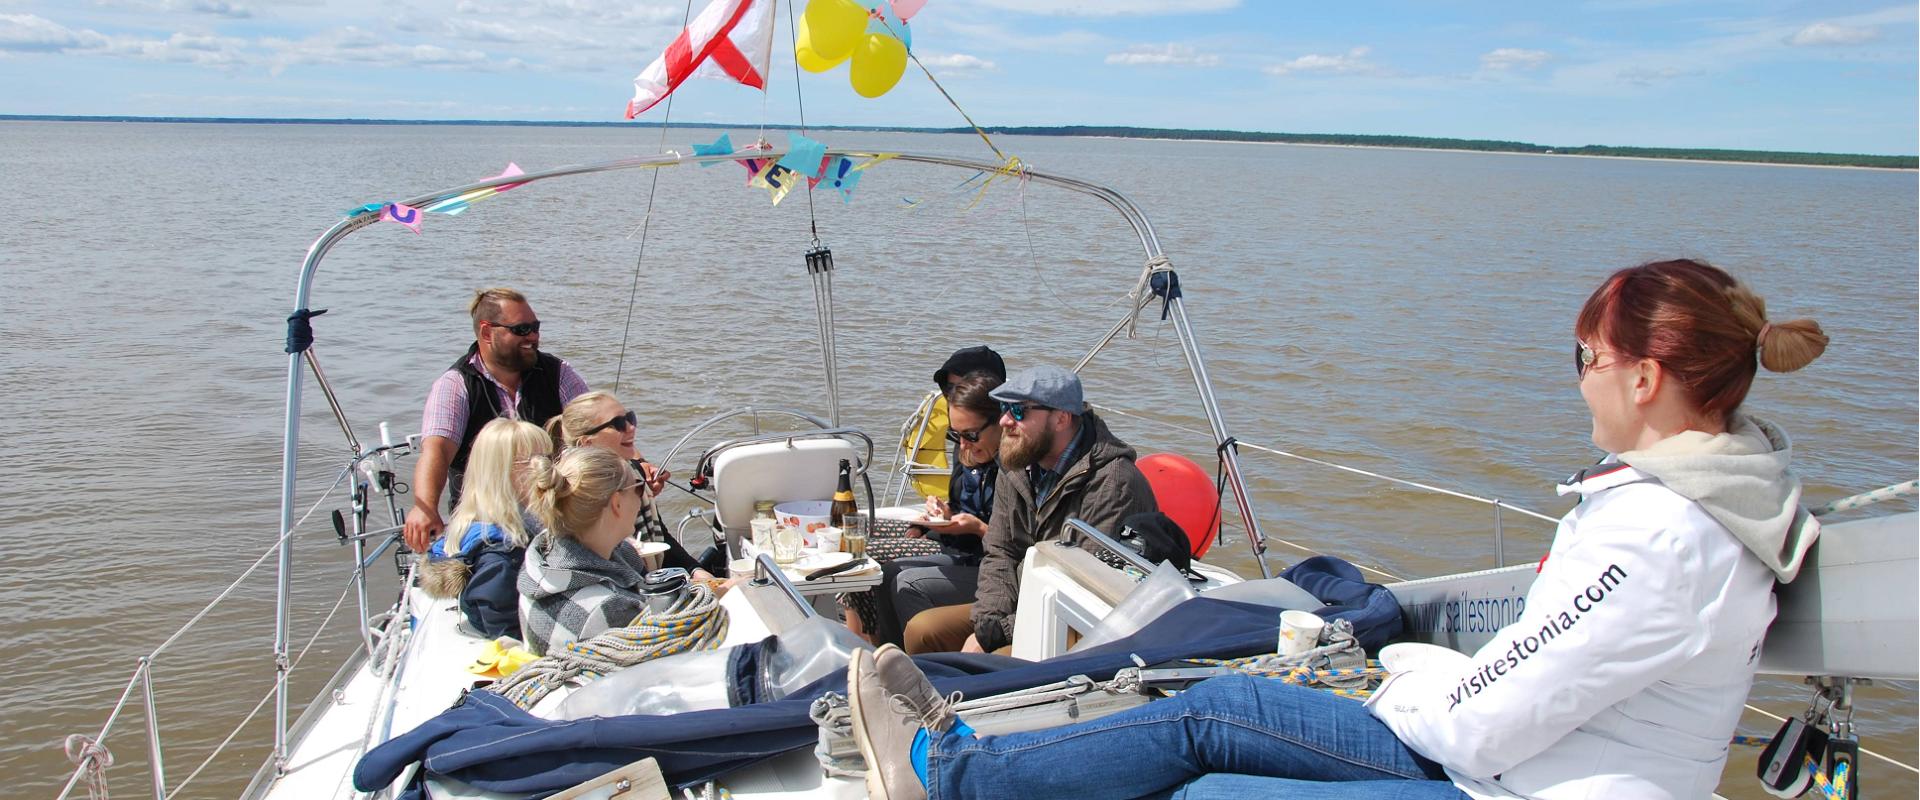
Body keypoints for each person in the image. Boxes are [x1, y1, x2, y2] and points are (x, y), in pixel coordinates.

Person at [847, 259, 1829, 800]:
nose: (1577, 376)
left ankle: (955, 778)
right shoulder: (1700, 503)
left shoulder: (1661, 530)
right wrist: (1415, 674)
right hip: (1525, 760)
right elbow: (1542, 673)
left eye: (1585, 355)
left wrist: (1398, 679)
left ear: (1645, 377)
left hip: (1516, 779)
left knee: (1211, 726)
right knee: (1218, 711)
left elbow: (1498, 712)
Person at [902, 364, 1157, 655]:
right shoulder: (1019, 466)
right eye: (1005, 409)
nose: (1005, 421)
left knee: (994, 660)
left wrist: (998, 635)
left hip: (1082, 626)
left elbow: (1083, 589)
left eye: (1019, 411)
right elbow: (1001, 551)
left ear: (1061, 418)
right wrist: (989, 622)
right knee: (923, 631)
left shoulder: (1113, 483)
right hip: (1022, 604)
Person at [405, 287, 589, 553]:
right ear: (487, 332)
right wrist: (425, 507)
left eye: (535, 327)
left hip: (554, 515)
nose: (533, 337)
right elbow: (436, 452)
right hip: (486, 523)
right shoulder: (456, 386)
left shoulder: (558, 373)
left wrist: (638, 465)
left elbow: (597, 425)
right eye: (521, 330)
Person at [851, 371, 1005, 646]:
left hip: (990, 565)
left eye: (970, 435)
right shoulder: (970, 451)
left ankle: (915, 654)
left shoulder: (1015, 469)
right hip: (961, 544)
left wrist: (977, 528)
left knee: (878, 565)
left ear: (1001, 420)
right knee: (865, 549)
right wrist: (942, 516)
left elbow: (1016, 546)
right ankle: (883, 649)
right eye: (955, 435)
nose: (962, 444)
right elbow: (962, 508)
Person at [546, 391, 715, 582]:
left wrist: (696, 572)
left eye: (630, 417)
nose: (631, 427)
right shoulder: (576, 489)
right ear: (587, 443)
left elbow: (661, 539)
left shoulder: (634, 472)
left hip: (648, 580)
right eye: (618, 424)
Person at [517, 447, 660, 655]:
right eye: (638, 488)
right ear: (616, 503)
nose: (642, 496)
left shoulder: (540, 558)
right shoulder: (611, 609)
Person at [418, 419, 552, 639]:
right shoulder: (503, 552)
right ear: (502, 473)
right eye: (533, 460)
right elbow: (503, 628)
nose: (547, 467)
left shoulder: (483, 524)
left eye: (547, 457)